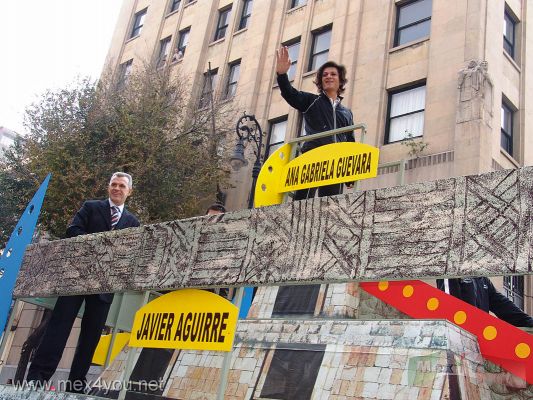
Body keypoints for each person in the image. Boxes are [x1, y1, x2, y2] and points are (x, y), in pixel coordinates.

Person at [26, 172, 140, 393]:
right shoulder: (90, 207)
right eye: (113, 185)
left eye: (121, 186)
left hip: (105, 285)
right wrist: (98, 248)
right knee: (58, 327)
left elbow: (132, 251)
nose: (117, 189)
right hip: (76, 278)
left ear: (129, 191)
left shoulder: (133, 221)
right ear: (108, 187)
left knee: (91, 336)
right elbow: (73, 230)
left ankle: (76, 384)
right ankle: (37, 377)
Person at [275, 46, 355, 200]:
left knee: (331, 205)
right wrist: (282, 75)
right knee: (301, 203)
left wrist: (350, 174)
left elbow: (350, 141)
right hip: (311, 157)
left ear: (340, 81)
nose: (328, 76)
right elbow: (289, 94)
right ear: (320, 81)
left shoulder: (347, 112)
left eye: (333, 74)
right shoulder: (311, 101)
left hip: (335, 163)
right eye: (324, 75)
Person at [437, 277, 533, 327]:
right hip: (460, 337)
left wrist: (529, 322)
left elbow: (502, 304)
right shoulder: (450, 271)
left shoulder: (482, 278)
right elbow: (449, 304)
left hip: (479, 338)